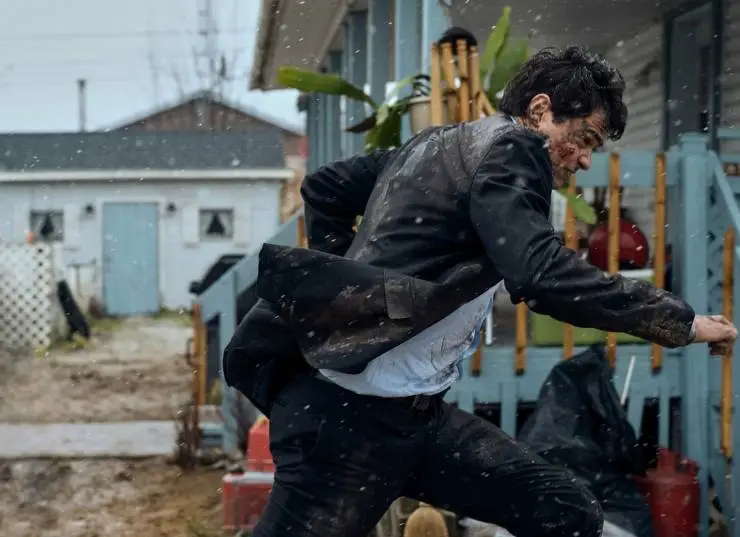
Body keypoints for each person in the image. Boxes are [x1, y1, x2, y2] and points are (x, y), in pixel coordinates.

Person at [225, 45, 737, 537]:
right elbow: (541, 274)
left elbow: (326, 186)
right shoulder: (514, 150)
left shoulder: (438, 144)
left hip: (417, 419)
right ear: (541, 111)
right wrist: (683, 322)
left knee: (565, 511)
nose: (584, 159)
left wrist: (349, 283)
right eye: (583, 138)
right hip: (346, 424)